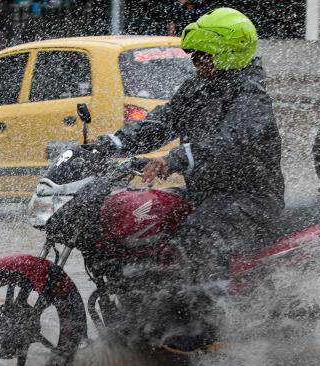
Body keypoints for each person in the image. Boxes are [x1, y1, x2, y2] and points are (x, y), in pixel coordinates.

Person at [96, 7, 285, 349]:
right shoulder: (200, 87)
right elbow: (163, 122)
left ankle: (206, 329)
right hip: (207, 194)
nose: (195, 61)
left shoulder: (250, 95)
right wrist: (111, 143)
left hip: (250, 200)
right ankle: (150, 307)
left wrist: (174, 159)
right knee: (149, 217)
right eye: (194, 54)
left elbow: (232, 141)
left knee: (197, 232)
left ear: (227, 54)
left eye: (202, 54)